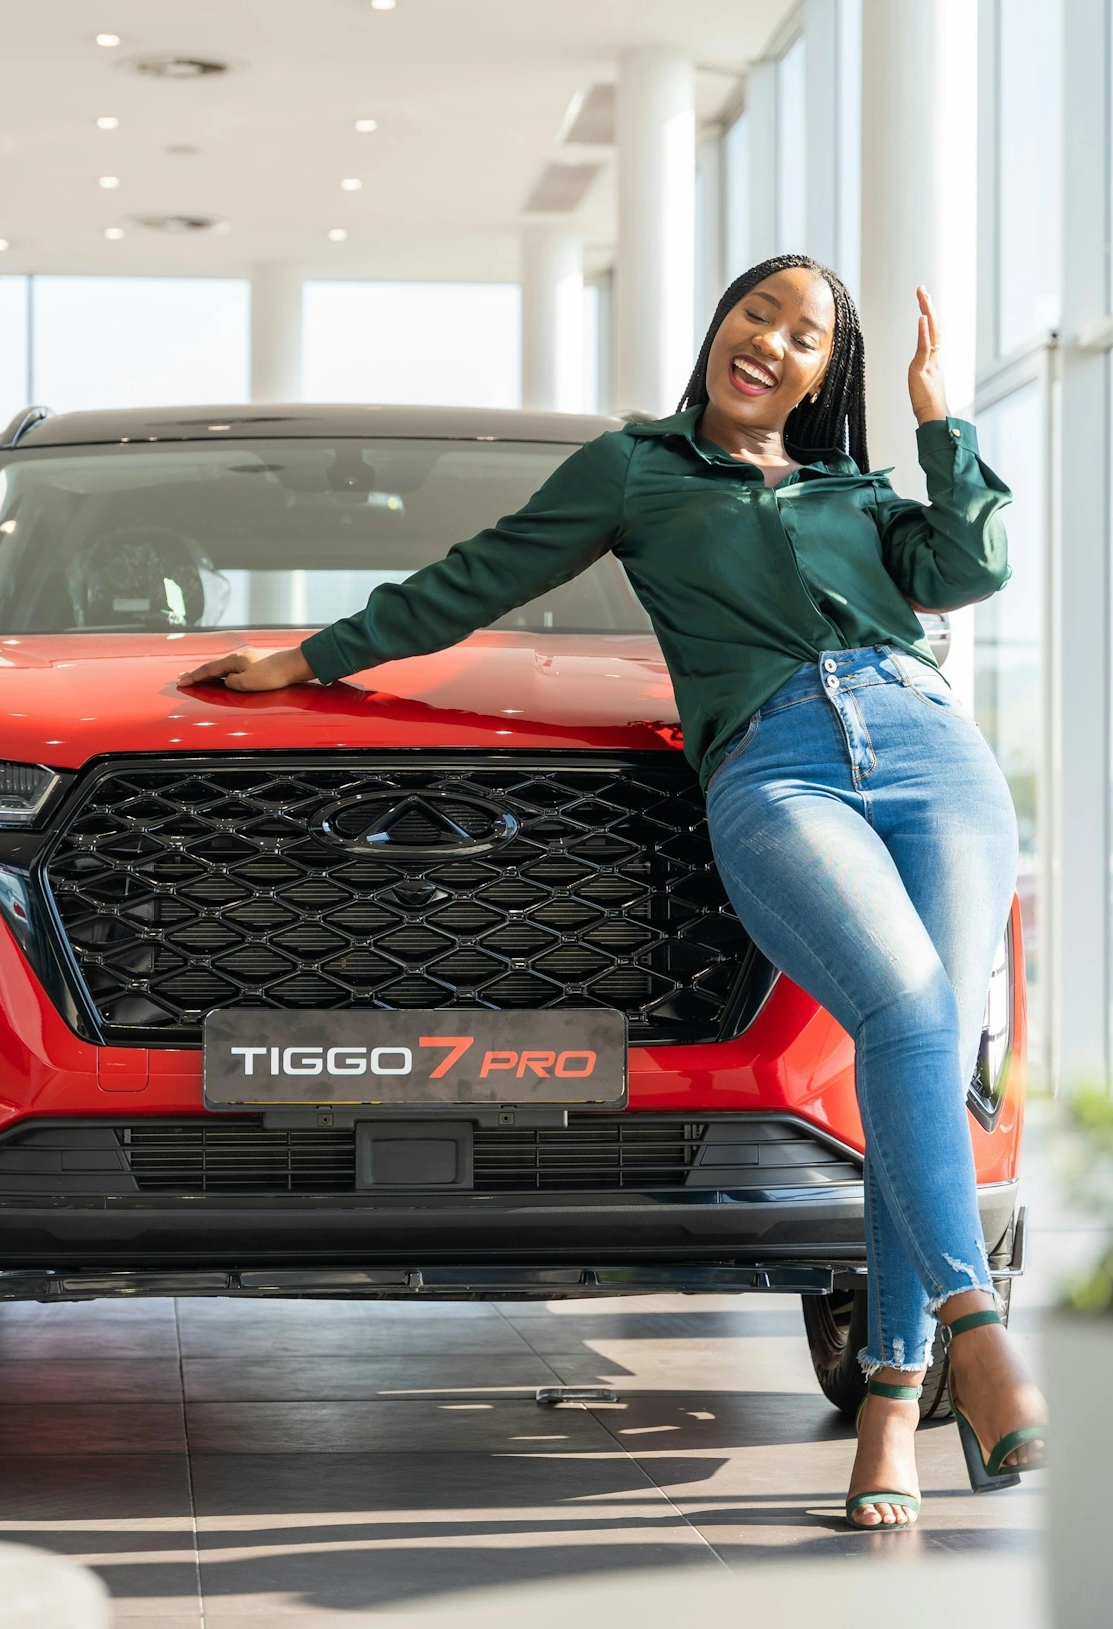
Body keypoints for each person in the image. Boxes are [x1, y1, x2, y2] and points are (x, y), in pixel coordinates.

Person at [178, 253, 1048, 1529]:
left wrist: (940, 422)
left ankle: (891, 1406)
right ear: (722, 323)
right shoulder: (636, 468)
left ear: (824, 373)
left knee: (917, 1049)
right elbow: (472, 579)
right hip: (776, 762)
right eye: (758, 311)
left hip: (935, 755)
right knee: (909, 1009)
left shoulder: (857, 494)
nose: (772, 341)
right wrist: (309, 657)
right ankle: (977, 1332)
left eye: (805, 335)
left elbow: (972, 565)